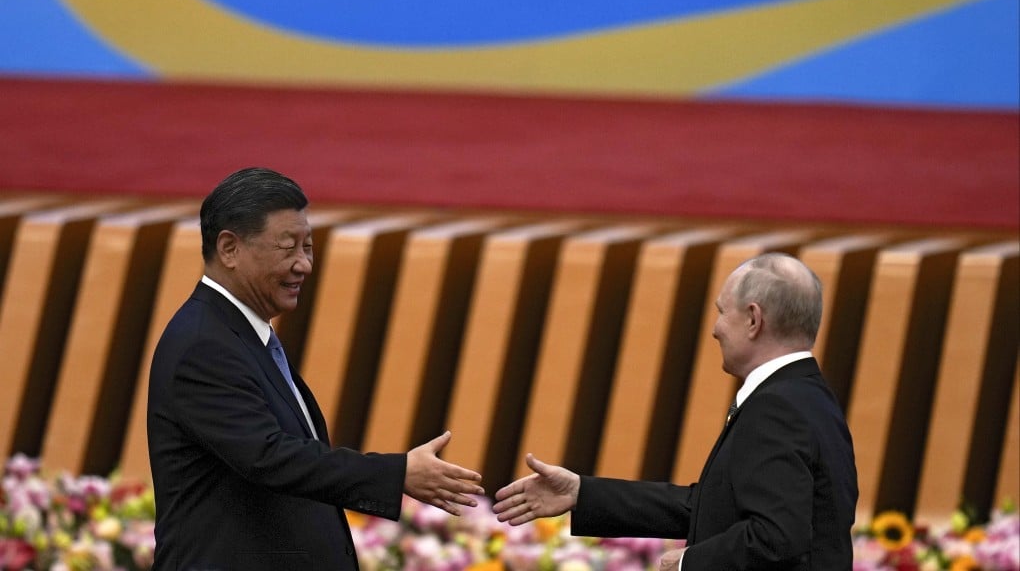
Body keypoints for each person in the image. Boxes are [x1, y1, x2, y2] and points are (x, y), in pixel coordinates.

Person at [147, 167, 484, 571]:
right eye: (287, 248)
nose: (303, 265)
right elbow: (270, 457)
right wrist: (397, 474)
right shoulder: (203, 343)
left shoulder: (242, 333)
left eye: (307, 247)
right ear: (229, 249)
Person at [493, 253, 858, 570]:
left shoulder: (778, 407)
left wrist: (688, 563)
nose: (715, 329)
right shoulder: (809, 396)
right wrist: (582, 493)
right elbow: (713, 506)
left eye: (721, 312)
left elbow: (777, 537)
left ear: (753, 319)